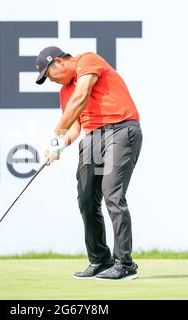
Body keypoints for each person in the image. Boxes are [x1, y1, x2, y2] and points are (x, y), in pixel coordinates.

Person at [35, 46, 143, 280]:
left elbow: (81, 96)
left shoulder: (87, 60)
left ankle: (124, 264)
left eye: (49, 74)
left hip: (122, 129)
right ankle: (100, 260)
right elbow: (74, 127)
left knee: (112, 194)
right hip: (93, 137)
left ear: (58, 63)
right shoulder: (64, 92)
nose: (50, 80)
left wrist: (55, 136)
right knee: (86, 198)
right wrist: (61, 145)